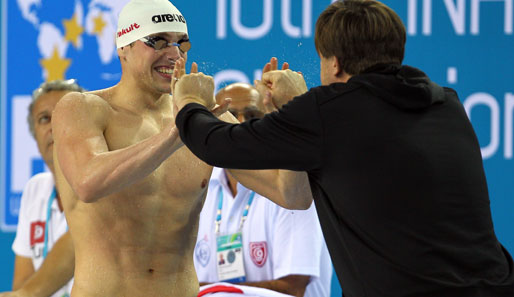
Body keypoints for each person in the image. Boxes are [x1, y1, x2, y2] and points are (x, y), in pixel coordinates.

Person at [172, 0, 514, 296]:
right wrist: (295, 107)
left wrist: (189, 102)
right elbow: (296, 195)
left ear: (334, 63)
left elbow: (218, 144)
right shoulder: (447, 105)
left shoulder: (329, 111)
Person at [50, 0, 310, 296]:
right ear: (123, 46)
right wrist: (179, 130)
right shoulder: (83, 109)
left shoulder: (205, 118)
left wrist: (295, 117)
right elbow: (88, 183)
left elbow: (293, 196)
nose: (173, 54)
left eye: (181, 44)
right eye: (158, 41)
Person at [194, 83, 332, 297]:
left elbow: (293, 288)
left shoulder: (294, 187)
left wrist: (213, 292)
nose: (239, 125)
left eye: (251, 116)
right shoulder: (200, 189)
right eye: (229, 115)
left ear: (270, 122)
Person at [6, 80, 84, 297]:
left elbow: (78, 243)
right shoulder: (35, 190)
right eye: (44, 119)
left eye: (64, 114)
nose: (53, 126)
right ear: (34, 134)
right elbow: (21, 284)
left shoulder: (109, 182)